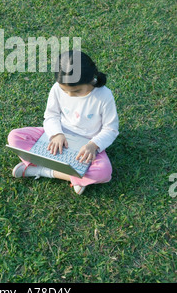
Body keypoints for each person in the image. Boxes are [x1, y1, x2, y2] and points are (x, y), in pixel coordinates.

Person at [8, 50, 119, 195]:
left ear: (91, 78)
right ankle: (76, 177)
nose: (69, 95)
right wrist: (56, 134)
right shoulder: (57, 88)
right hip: (60, 134)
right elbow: (51, 115)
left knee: (103, 173)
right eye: (64, 90)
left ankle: (40, 170)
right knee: (14, 137)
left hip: (87, 143)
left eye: (76, 91)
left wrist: (93, 145)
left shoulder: (104, 96)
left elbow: (111, 129)